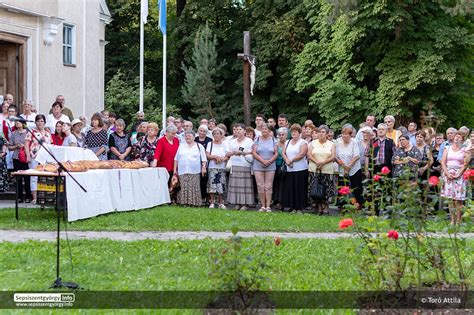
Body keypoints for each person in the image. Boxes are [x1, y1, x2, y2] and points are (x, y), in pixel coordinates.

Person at [441, 131, 471, 224]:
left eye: (459, 137)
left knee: (458, 199)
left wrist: (458, 174)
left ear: (463, 140)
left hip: (459, 174)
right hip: (448, 174)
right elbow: (443, 162)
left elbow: (465, 164)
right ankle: (452, 219)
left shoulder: (465, 150)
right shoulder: (447, 148)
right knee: (450, 199)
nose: (457, 138)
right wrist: (446, 173)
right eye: (456, 136)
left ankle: (459, 219)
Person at [173, 130, 207, 206]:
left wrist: (203, 167)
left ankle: (194, 203)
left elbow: (204, 159)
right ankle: (183, 202)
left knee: (193, 186)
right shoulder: (181, 146)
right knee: (183, 186)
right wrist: (175, 170)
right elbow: (176, 159)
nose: (188, 137)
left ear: (194, 137)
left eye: (190, 136)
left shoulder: (199, 146)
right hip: (182, 170)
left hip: (194, 171)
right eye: (186, 136)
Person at [307, 125, 336, 214]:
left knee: (326, 188)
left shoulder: (331, 144)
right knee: (315, 188)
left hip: (327, 170)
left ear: (327, 134)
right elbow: (309, 154)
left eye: (323, 132)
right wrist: (316, 162)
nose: (321, 134)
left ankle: (326, 206)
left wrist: (323, 162)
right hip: (314, 169)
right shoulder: (313, 143)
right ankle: (318, 206)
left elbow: (333, 156)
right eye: (319, 132)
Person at [226, 123, 255, 210]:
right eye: (237, 129)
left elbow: (252, 152)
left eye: (240, 129)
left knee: (244, 185)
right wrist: (230, 153)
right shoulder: (232, 141)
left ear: (244, 131)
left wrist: (241, 153)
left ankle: (245, 204)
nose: (238, 131)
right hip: (234, 164)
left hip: (245, 164)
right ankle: (237, 203)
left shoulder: (249, 141)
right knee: (236, 185)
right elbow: (228, 152)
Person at [24, 115, 51, 203]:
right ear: (35, 122)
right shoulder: (31, 132)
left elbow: (50, 146)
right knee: (34, 177)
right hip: (34, 156)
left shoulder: (47, 133)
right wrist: (28, 156)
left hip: (45, 158)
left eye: (42, 121)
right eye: (38, 121)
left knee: (44, 177)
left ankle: (44, 197)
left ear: (44, 123)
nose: (40, 123)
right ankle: (35, 197)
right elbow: (26, 144)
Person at [281, 124, 308, 212]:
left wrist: (291, 160)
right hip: (289, 169)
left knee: (299, 188)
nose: (293, 133)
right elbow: (283, 153)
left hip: (300, 169)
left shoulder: (303, 142)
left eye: (295, 132)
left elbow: (302, 154)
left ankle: (299, 208)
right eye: (292, 132)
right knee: (290, 188)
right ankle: (291, 207)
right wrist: (287, 161)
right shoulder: (287, 142)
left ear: (299, 133)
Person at [336, 125, 364, 208]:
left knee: (356, 187)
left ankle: (359, 204)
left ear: (350, 135)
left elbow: (357, 156)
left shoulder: (354, 142)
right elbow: (336, 156)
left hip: (354, 168)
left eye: (347, 134)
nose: (345, 135)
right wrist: (343, 166)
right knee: (342, 186)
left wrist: (348, 167)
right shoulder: (338, 142)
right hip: (342, 168)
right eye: (343, 134)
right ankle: (342, 205)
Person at [252, 123, 278, 212]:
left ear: (269, 131)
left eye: (265, 129)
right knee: (260, 186)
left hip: (270, 166)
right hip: (258, 165)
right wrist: (262, 160)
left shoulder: (273, 140)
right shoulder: (257, 139)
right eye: (262, 129)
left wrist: (269, 161)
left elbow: (276, 153)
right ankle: (262, 206)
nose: (263, 130)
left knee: (268, 186)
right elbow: (254, 152)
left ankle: (268, 206)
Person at [206, 127, 230, 209]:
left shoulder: (225, 144)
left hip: (222, 167)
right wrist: (215, 157)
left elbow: (228, 155)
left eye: (218, 134)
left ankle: (221, 202)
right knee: (212, 184)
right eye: (214, 134)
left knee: (221, 184)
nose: (216, 135)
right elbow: (207, 155)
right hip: (212, 166)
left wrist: (222, 159)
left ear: (221, 135)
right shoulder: (210, 144)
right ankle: (212, 202)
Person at [8, 119, 30, 203]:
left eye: (18, 122)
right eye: (15, 122)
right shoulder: (13, 133)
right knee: (18, 178)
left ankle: (28, 196)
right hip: (16, 157)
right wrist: (16, 146)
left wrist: (25, 146)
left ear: (23, 123)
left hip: (26, 157)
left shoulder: (28, 132)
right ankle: (19, 197)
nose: (17, 123)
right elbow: (10, 147)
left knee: (27, 178)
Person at [195, 124, 213, 202]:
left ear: (206, 132)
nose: (202, 133)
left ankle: (205, 197)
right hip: (195, 162)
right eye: (200, 131)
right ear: (198, 131)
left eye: (204, 131)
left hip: (206, 163)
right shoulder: (195, 139)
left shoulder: (209, 140)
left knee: (204, 180)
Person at [273, 127, 288, 210]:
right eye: (280, 135)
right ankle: (277, 201)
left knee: (284, 185)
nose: (281, 136)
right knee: (277, 184)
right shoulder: (276, 144)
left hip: (285, 166)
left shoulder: (289, 143)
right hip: (276, 166)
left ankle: (283, 202)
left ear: (286, 135)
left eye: (283, 135)